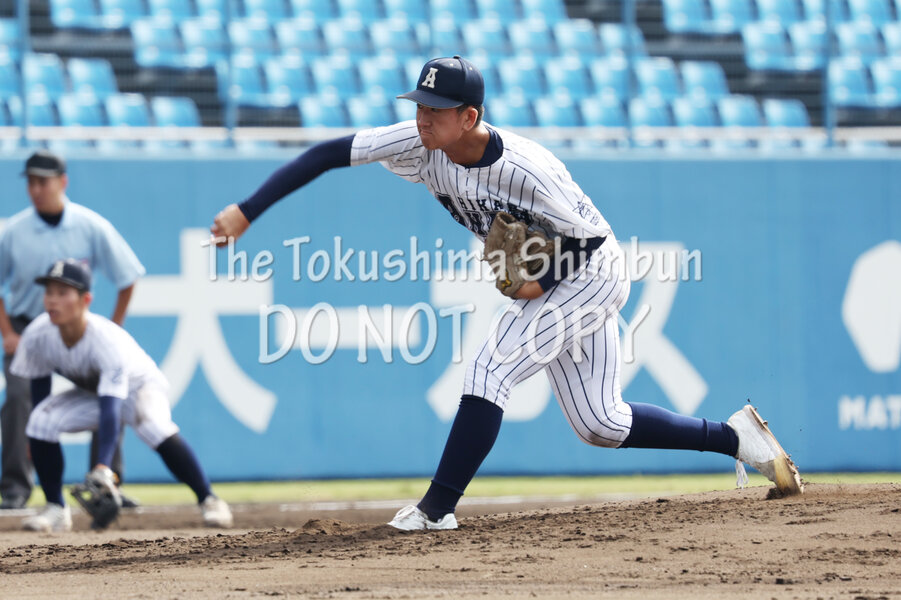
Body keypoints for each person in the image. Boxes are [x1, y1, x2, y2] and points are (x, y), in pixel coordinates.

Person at [210, 56, 803, 531]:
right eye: (419, 106)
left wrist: (539, 282)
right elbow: (327, 154)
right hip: (562, 271)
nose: (422, 118)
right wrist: (247, 209)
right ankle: (736, 437)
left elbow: (588, 239)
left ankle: (436, 509)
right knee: (601, 422)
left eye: (435, 110)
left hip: (591, 272)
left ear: (469, 116)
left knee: (490, 367)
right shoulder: (421, 144)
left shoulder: (527, 168)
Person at [10, 259, 233, 532]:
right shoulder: (37, 334)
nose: (52, 300)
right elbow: (39, 385)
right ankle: (56, 508)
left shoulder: (105, 340)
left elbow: (111, 410)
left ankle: (209, 499)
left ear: (85, 299)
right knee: (40, 421)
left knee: (153, 426)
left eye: (62, 292)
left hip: (140, 388)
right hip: (94, 392)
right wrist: (35, 437)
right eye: (49, 292)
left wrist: (103, 466)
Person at [0, 150, 145, 510]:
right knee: (19, 398)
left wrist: (113, 329)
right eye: (31, 182)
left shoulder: (90, 226)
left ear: (62, 182)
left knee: (109, 394)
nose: (36, 189)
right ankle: (16, 486)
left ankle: (106, 483)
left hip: (79, 333)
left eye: (43, 182)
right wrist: (8, 333)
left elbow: (128, 276)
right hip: (29, 330)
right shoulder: (14, 231)